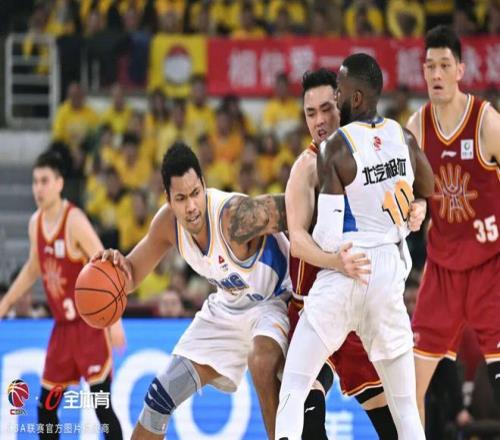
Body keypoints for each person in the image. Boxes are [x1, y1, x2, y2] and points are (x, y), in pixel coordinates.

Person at [275, 53, 434, 440]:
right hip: (329, 291)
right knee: (311, 410)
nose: (319, 120)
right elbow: (299, 242)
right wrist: (335, 260)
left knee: (391, 419)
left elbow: (411, 192)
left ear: (344, 100)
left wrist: (417, 206)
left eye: (327, 108)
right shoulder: (307, 167)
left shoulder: (351, 147)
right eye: (310, 113)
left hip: (348, 289)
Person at [95, 141, 291, 440]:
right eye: (181, 198)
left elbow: (294, 205)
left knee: (262, 362)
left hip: (275, 299)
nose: (191, 206)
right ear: (168, 199)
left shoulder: (234, 216)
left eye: (196, 193)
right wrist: (114, 267)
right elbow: (131, 275)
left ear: (204, 184)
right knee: (160, 396)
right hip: (228, 307)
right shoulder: (167, 224)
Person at [406, 24, 500, 425]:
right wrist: (416, 207)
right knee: (408, 390)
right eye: (430, 66)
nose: (437, 74)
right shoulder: (416, 127)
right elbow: (412, 192)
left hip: (489, 265)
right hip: (442, 270)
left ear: (461, 70)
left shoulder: (486, 122)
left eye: (445, 65)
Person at [0, 150, 125, 440]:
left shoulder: (74, 220)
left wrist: (115, 321)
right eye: (35, 182)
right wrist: (6, 302)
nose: (38, 188)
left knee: (102, 407)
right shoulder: (35, 223)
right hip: (62, 330)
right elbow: (34, 268)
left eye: (44, 181)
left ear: (59, 184)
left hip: (90, 327)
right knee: (45, 409)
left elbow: (106, 264)